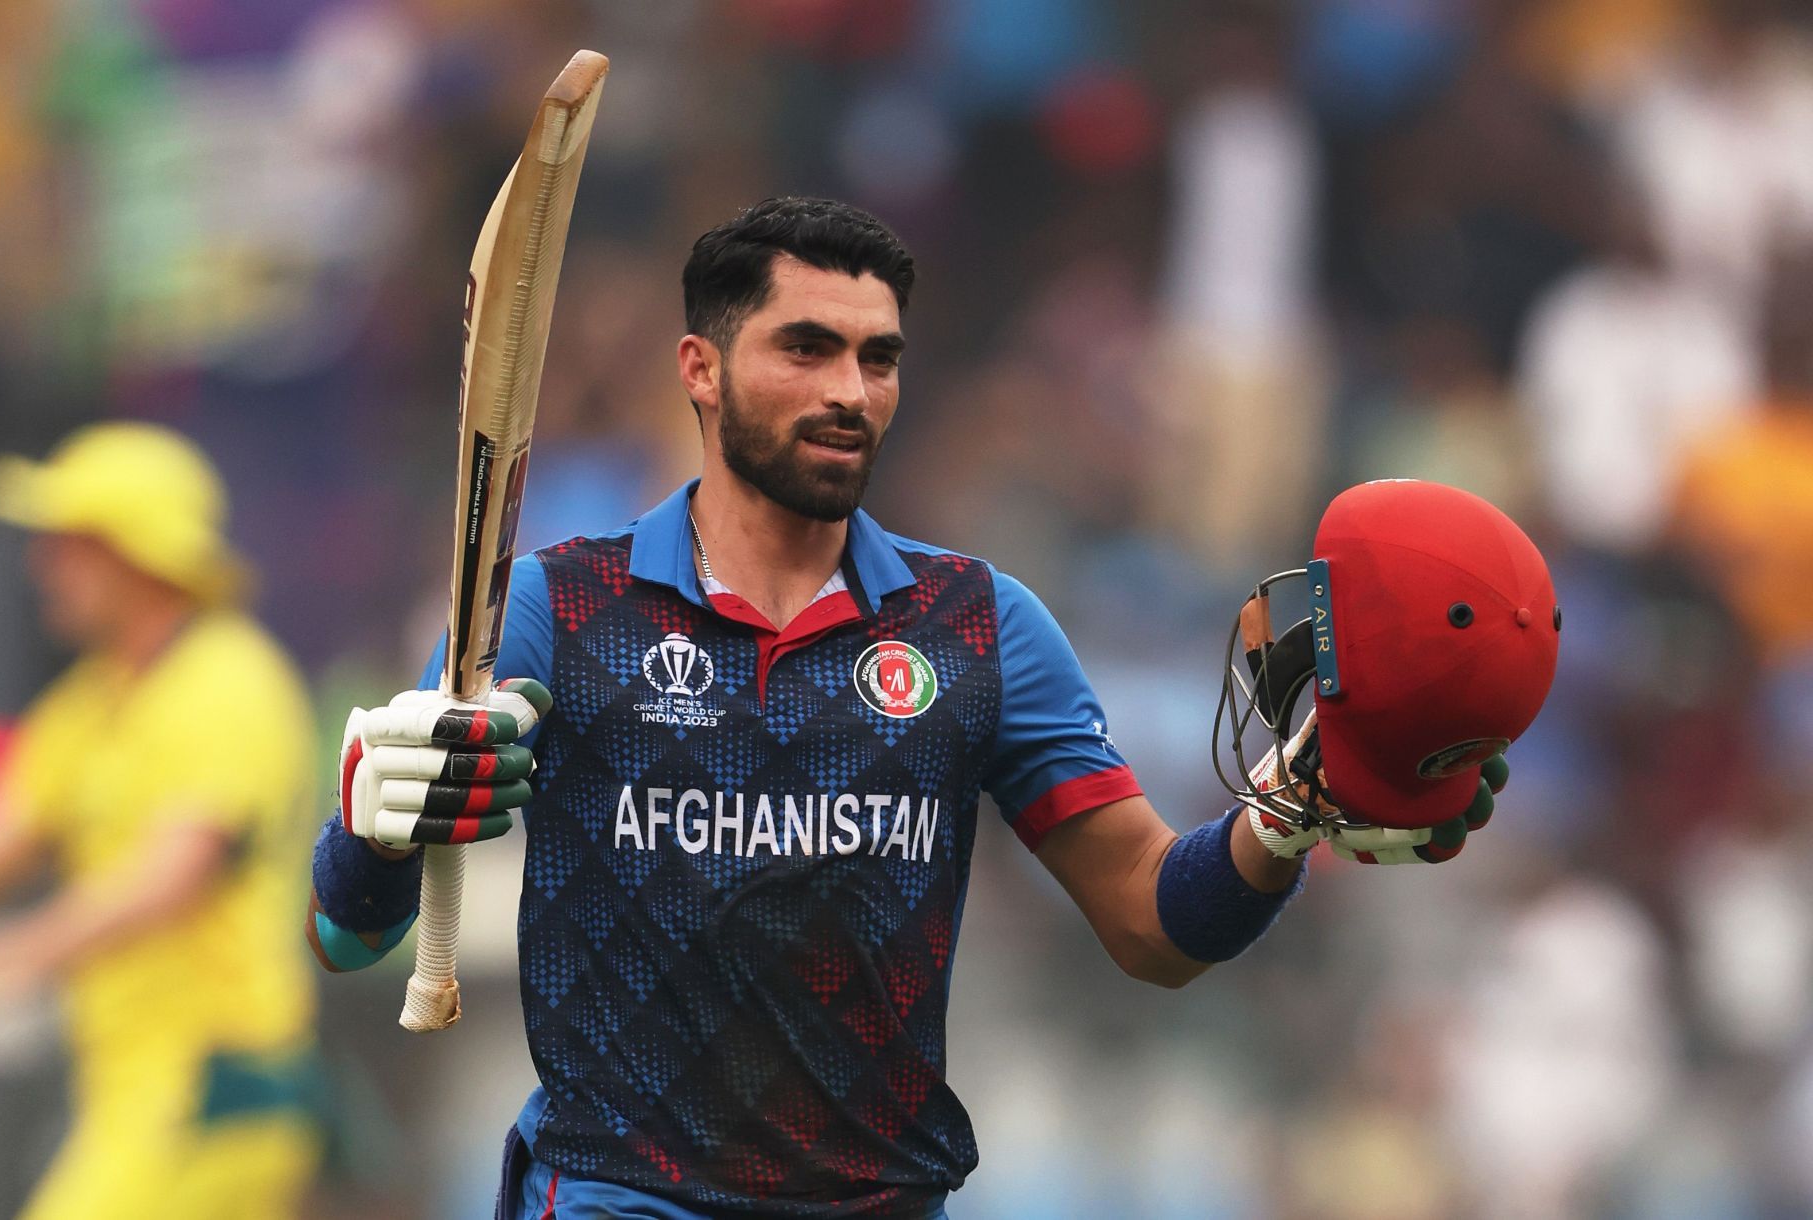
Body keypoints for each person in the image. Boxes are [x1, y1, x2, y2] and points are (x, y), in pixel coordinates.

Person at [311, 197, 1508, 1219]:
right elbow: (349, 933)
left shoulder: (980, 626)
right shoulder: (553, 610)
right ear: (701, 368)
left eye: (877, 358)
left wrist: (1282, 816)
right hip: (625, 1191)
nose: (850, 390)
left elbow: (1152, 923)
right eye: (808, 348)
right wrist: (367, 826)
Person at [0, 422, 321, 1220]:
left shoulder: (230, 683)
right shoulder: (88, 706)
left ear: (137, 553)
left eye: (66, 544)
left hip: (215, 1092)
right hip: (131, 1097)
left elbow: (161, 884)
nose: (40, 565)